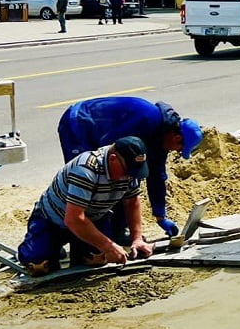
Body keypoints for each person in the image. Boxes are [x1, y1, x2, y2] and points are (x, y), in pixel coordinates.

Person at [57, 96, 204, 242]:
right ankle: (68, 233)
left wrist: (160, 216)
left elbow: (157, 176)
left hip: (98, 131)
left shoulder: (162, 138)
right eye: (180, 149)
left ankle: (117, 232)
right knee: (85, 182)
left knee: (127, 177)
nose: (177, 152)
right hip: (78, 124)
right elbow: (109, 150)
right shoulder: (146, 122)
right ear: (176, 138)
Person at [17, 136, 153, 276]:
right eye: (127, 171)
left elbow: (132, 202)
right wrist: (109, 246)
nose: (130, 176)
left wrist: (137, 238)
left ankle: (77, 248)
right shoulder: (86, 169)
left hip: (92, 220)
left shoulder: (129, 172)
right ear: (113, 159)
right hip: (52, 221)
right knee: (38, 265)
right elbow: (74, 219)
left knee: (97, 259)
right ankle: (45, 247)